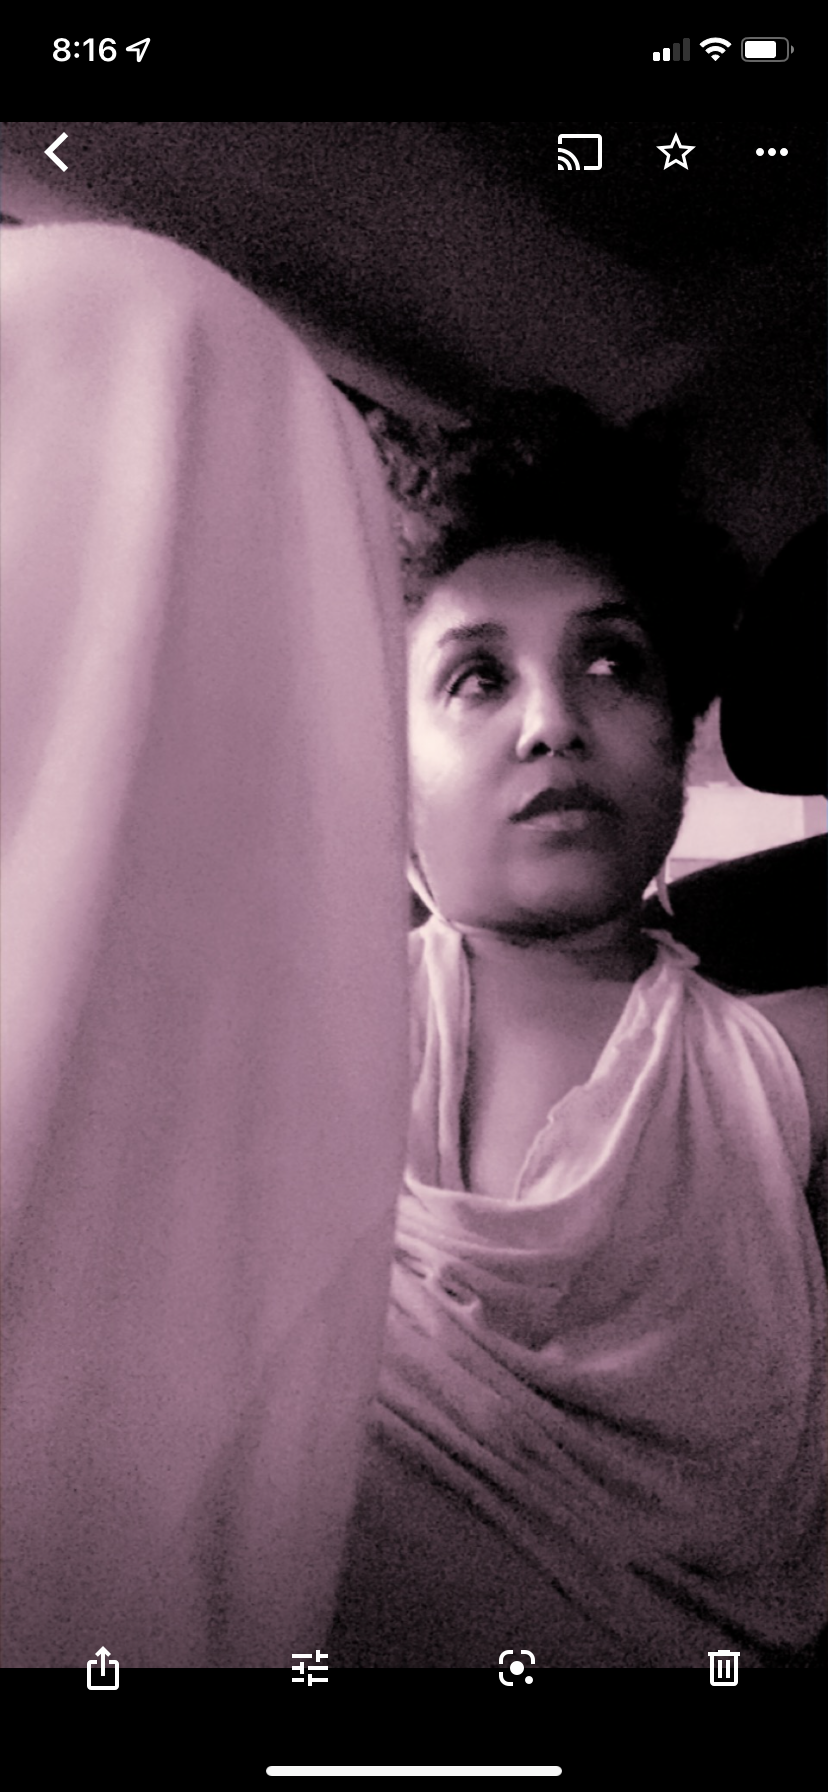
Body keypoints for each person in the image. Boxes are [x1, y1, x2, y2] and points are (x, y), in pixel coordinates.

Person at [327, 389, 827, 1668]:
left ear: (675, 741)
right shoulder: (291, 1030)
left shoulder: (787, 1063)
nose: (553, 718)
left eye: (613, 664)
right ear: (392, 768)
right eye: (476, 678)